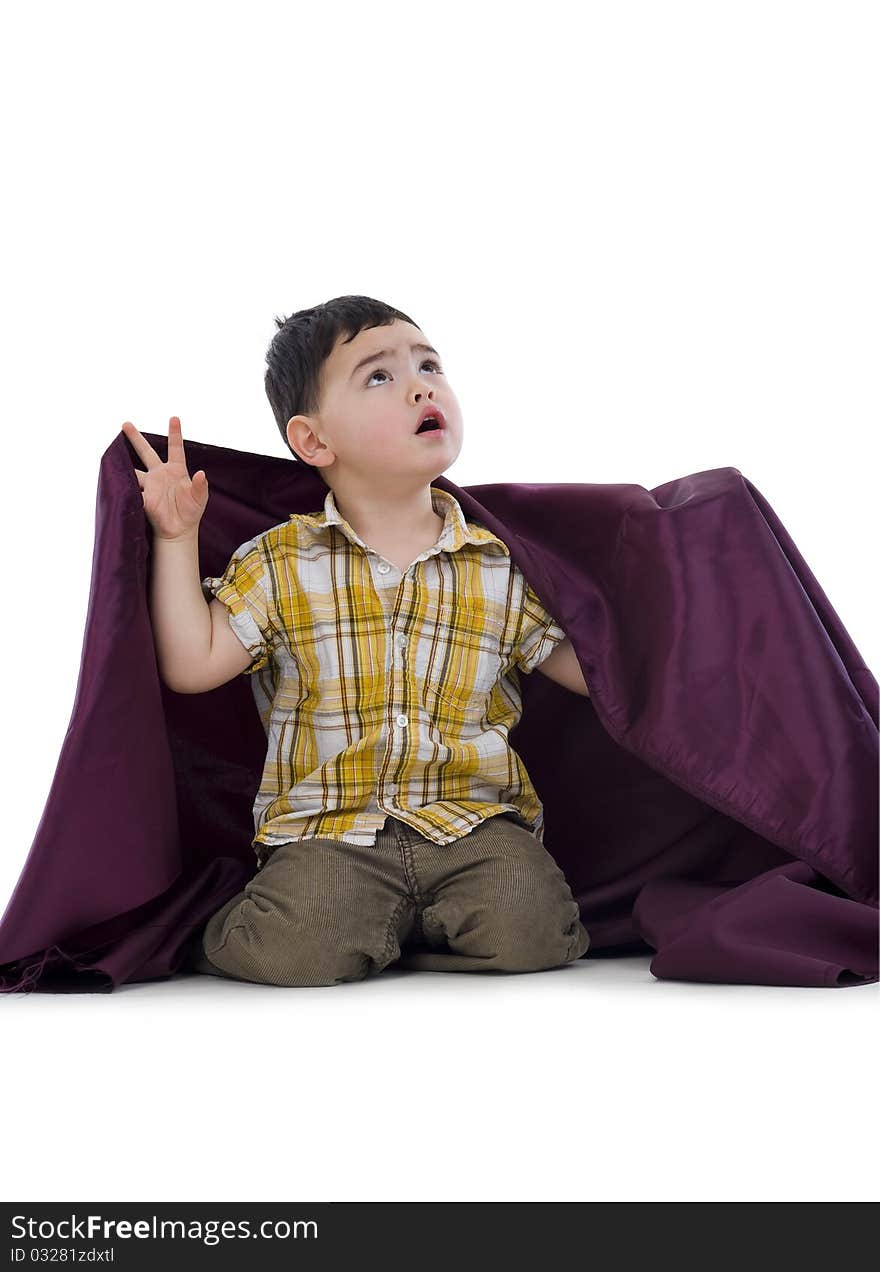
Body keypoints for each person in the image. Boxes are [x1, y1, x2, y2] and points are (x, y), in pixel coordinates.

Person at [121, 294, 592, 986]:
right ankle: (253, 933)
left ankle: (407, 938)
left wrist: (655, 614)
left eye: (429, 364)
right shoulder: (281, 560)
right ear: (313, 441)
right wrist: (176, 536)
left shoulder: (498, 563)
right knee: (291, 951)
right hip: (329, 832)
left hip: (473, 826)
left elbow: (588, 671)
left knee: (537, 933)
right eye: (379, 376)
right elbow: (192, 665)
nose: (422, 383)